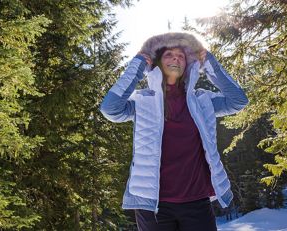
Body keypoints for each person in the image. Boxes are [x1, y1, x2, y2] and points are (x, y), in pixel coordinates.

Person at [100, 32, 249, 231]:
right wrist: (137, 66)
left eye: (181, 56)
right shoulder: (143, 101)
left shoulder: (202, 100)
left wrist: (210, 64)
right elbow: (111, 109)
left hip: (197, 202)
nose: (176, 58)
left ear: (188, 64)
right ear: (157, 63)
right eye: (169, 54)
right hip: (153, 206)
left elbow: (238, 101)